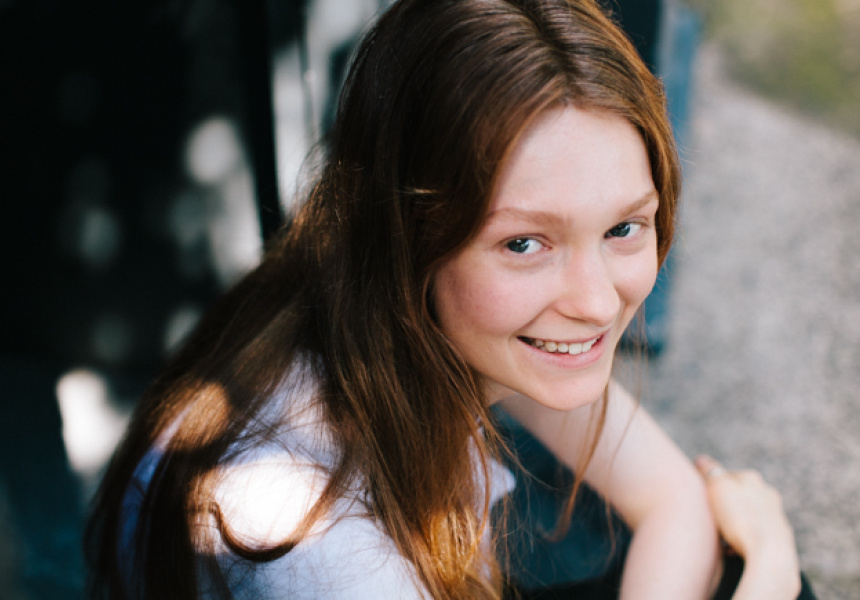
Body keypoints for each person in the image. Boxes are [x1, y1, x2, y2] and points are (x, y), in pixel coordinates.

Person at [84, 0, 808, 598]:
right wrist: (771, 570)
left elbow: (673, 499)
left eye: (623, 228)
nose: (595, 302)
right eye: (524, 243)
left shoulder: (397, 298)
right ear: (411, 238)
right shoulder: (329, 555)